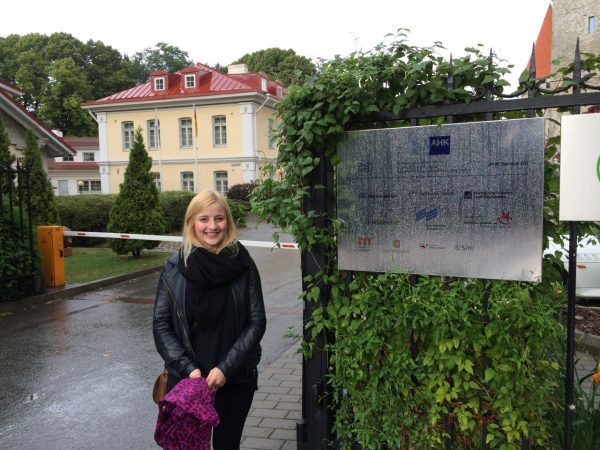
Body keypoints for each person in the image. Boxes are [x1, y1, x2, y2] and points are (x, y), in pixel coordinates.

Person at [153, 190, 266, 450]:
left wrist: (226, 369)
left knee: (227, 445)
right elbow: (161, 325)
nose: (212, 226)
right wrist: (188, 370)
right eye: (204, 219)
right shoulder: (173, 267)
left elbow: (256, 321)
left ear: (228, 222)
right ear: (191, 222)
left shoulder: (244, 264)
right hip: (187, 381)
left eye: (219, 218)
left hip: (234, 379)